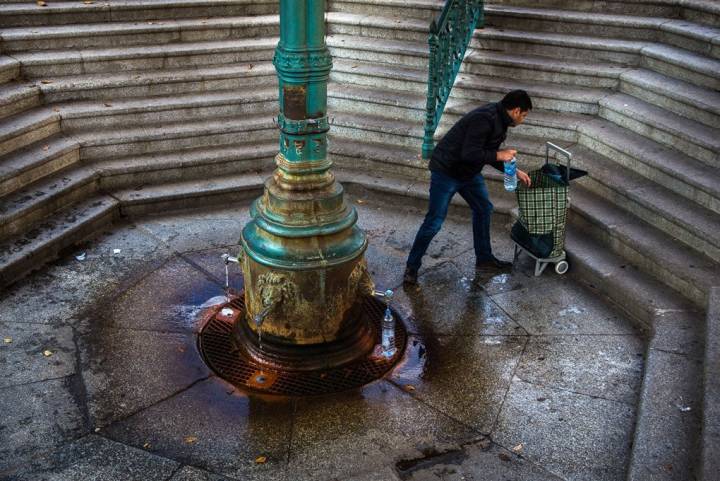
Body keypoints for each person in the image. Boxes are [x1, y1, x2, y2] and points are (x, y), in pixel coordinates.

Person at [404, 90, 533, 285]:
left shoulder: (500, 120)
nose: (523, 120)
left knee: (484, 209)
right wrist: (500, 155)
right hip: (446, 171)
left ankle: (485, 259)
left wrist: (515, 171)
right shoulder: (485, 118)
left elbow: (485, 153)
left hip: (468, 173)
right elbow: (470, 153)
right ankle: (411, 267)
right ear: (516, 111)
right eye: (524, 115)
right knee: (434, 221)